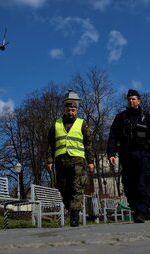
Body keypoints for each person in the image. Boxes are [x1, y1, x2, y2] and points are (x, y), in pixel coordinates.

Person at [107, 89, 150, 223]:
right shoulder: (120, 117)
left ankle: (141, 211)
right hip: (126, 155)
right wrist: (111, 153)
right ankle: (137, 209)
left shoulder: (146, 117)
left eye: (133, 99)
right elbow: (113, 137)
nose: (131, 101)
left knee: (142, 182)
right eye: (129, 99)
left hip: (143, 154)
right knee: (129, 185)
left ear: (139, 100)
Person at [47, 89, 95, 227]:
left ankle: (74, 216)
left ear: (77, 110)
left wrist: (91, 161)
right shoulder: (56, 124)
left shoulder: (82, 123)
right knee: (63, 188)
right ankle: (70, 206)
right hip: (60, 162)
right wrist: (49, 160)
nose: (71, 112)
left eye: (73, 110)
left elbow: (88, 143)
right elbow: (50, 144)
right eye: (68, 110)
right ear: (64, 109)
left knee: (77, 188)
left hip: (78, 161)